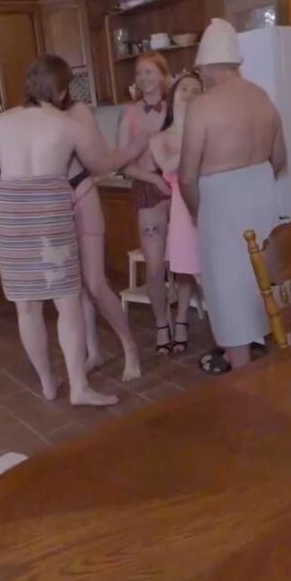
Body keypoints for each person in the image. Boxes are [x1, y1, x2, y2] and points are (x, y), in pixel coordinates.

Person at [0, 55, 143, 406]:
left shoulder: (0, 122)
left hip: (9, 219)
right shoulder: (67, 126)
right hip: (49, 219)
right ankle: (78, 388)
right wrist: (131, 151)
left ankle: (48, 383)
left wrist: (14, 201)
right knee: (67, 304)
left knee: (26, 308)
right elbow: (101, 164)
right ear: (63, 89)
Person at [179, 19, 285, 374]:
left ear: (208, 66)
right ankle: (272, 362)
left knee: (228, 290)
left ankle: (242, 372)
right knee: (262, 280)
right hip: (262, 194)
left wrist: (198, 213)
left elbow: (187, 176)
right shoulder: (262, 97)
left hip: (220, 203)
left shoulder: (203, 106)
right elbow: (280, 158)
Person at [51, 62, 144, 382]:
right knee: (75, 287)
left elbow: (98, 159)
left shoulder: (78, 112)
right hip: (55, 203)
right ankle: (94, 352)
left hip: (82, 193)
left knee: (94, 282)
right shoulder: (37, 115)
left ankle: (130, 348)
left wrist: (130, 151)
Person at [115, 52, 173, 355]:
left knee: (186, 261)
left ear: (163, 75)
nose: (143, 78)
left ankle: (182, 322)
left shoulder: (177, 107)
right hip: (149, 189)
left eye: (149, 72)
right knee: (155, 266)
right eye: (139, 73)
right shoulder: (130, 113)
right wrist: (153, 179)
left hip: (179, 188)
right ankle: (162, 324)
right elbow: (122, 164)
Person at [147, 72, 203, 355]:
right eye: (184, 89)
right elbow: (168, 165)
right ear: (172, 97)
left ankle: (225, 335)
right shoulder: (159, 138)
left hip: (212, 201)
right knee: (188, 266)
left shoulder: (208, 130)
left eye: (196, 90)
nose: (190, 94)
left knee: (211, 270)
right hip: (183, 207)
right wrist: (195, 139)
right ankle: (181, 321)